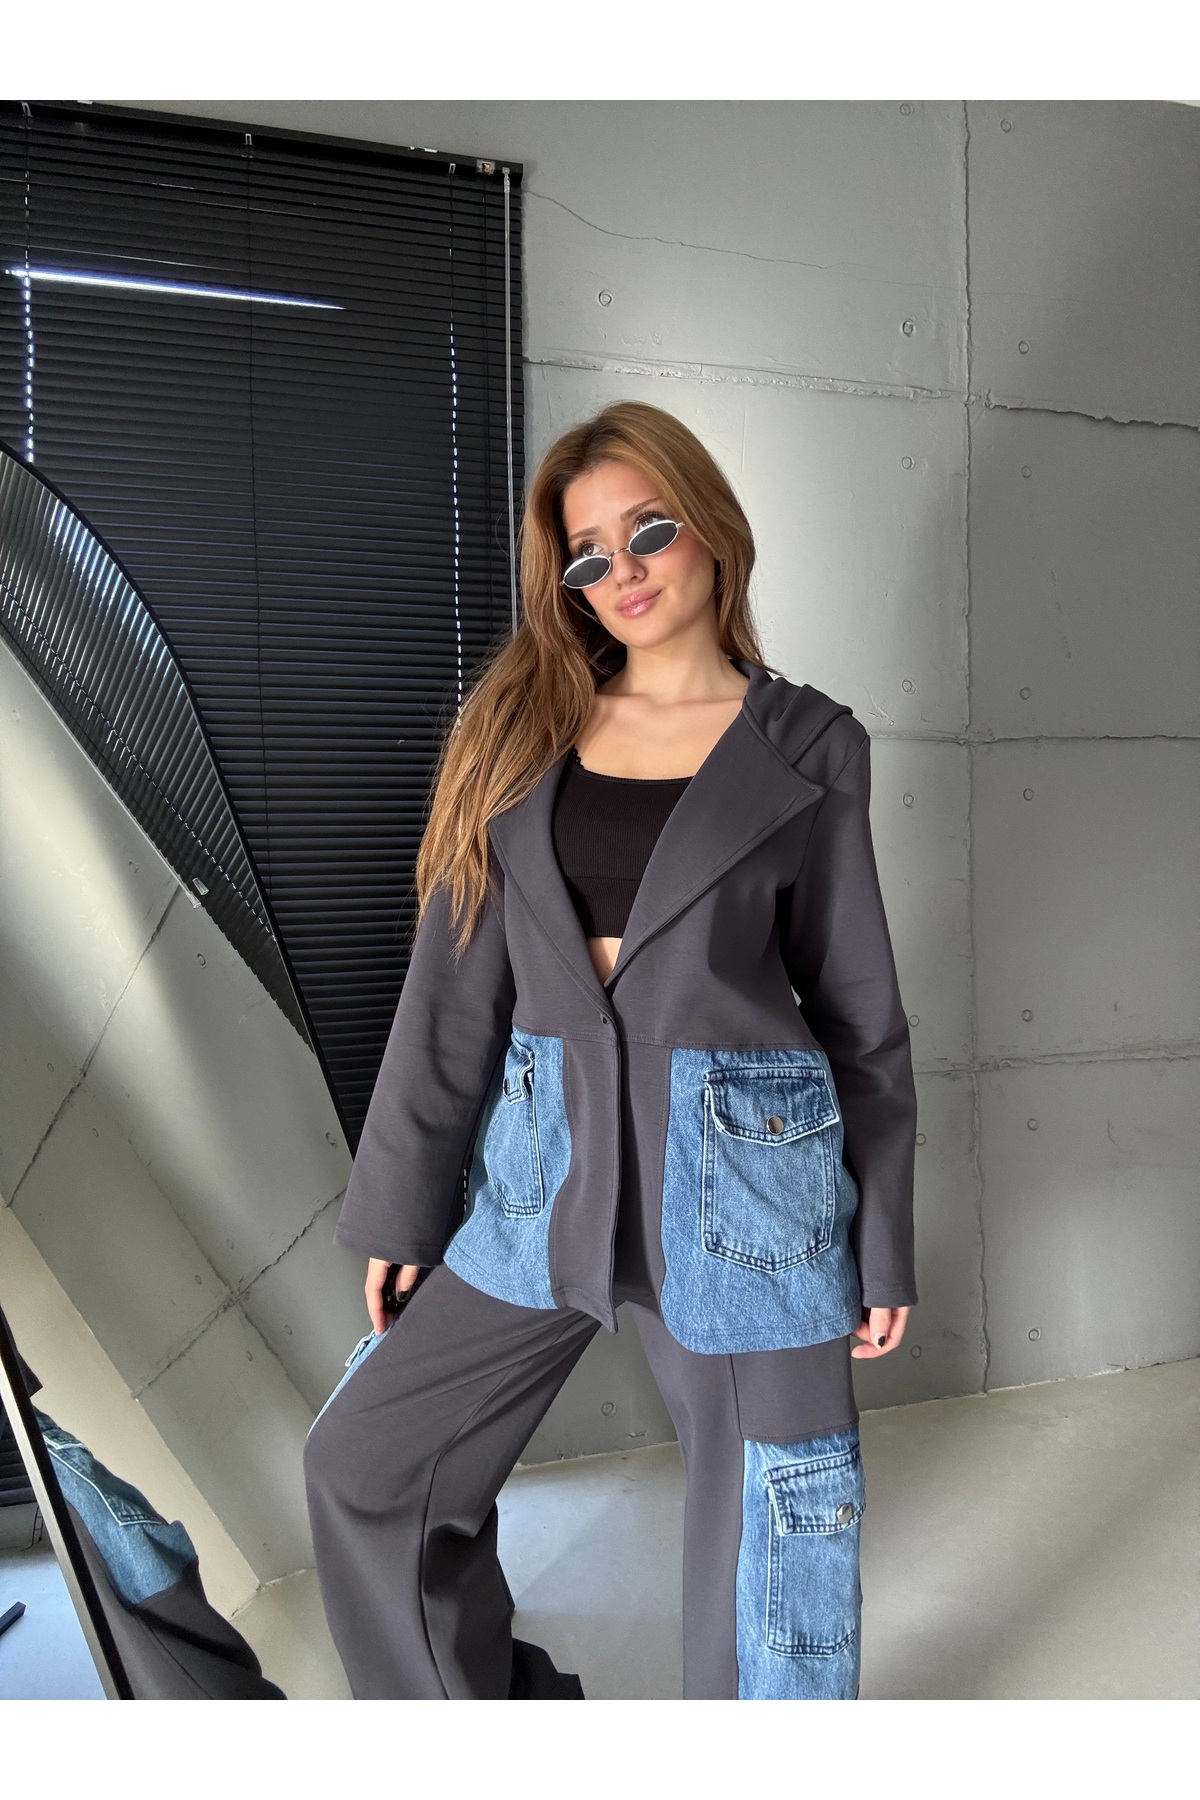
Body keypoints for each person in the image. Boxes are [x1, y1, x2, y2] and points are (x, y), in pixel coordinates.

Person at [303, 399, 918, 1700]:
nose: (622, 571)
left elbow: (858, 1013)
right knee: (368, 1468)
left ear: (712, 530)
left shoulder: (812, 747)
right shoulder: (518, 734)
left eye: (649, 531)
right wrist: (404, 1206)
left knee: (773, 1549)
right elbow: (452, 990)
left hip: (751, 1199)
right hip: (544, 1178)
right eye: (588, 553)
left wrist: (881, 1241)